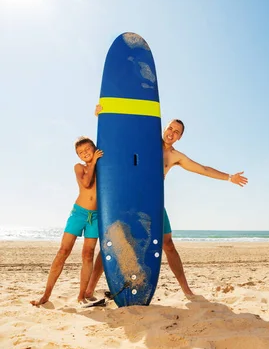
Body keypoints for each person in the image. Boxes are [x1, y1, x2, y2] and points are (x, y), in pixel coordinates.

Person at [85, 112, 247, 298]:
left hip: (153, 202)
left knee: (168, 244)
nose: (171, 132)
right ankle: (89, 289)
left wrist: (228, 177)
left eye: (176, 131)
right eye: (170, 128)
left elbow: (202, 169)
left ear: (180, 137)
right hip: (128, 199)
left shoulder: (175, 156)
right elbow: (119, 134)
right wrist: (104, 115)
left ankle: (186, 290)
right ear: (164, 128)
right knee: (113, 239)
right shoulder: (145, 141)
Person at [30, 137, 103, 306]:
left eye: (87, 150)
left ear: (94, 148)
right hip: (78, 214)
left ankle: (81, 296)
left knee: (88, 255)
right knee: (63, 251)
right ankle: (46, 295)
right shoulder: (80, 167)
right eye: (80, 152)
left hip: (96, 216)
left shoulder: (103, 167)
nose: (85, 154)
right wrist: (92, 164)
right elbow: (86, 183)